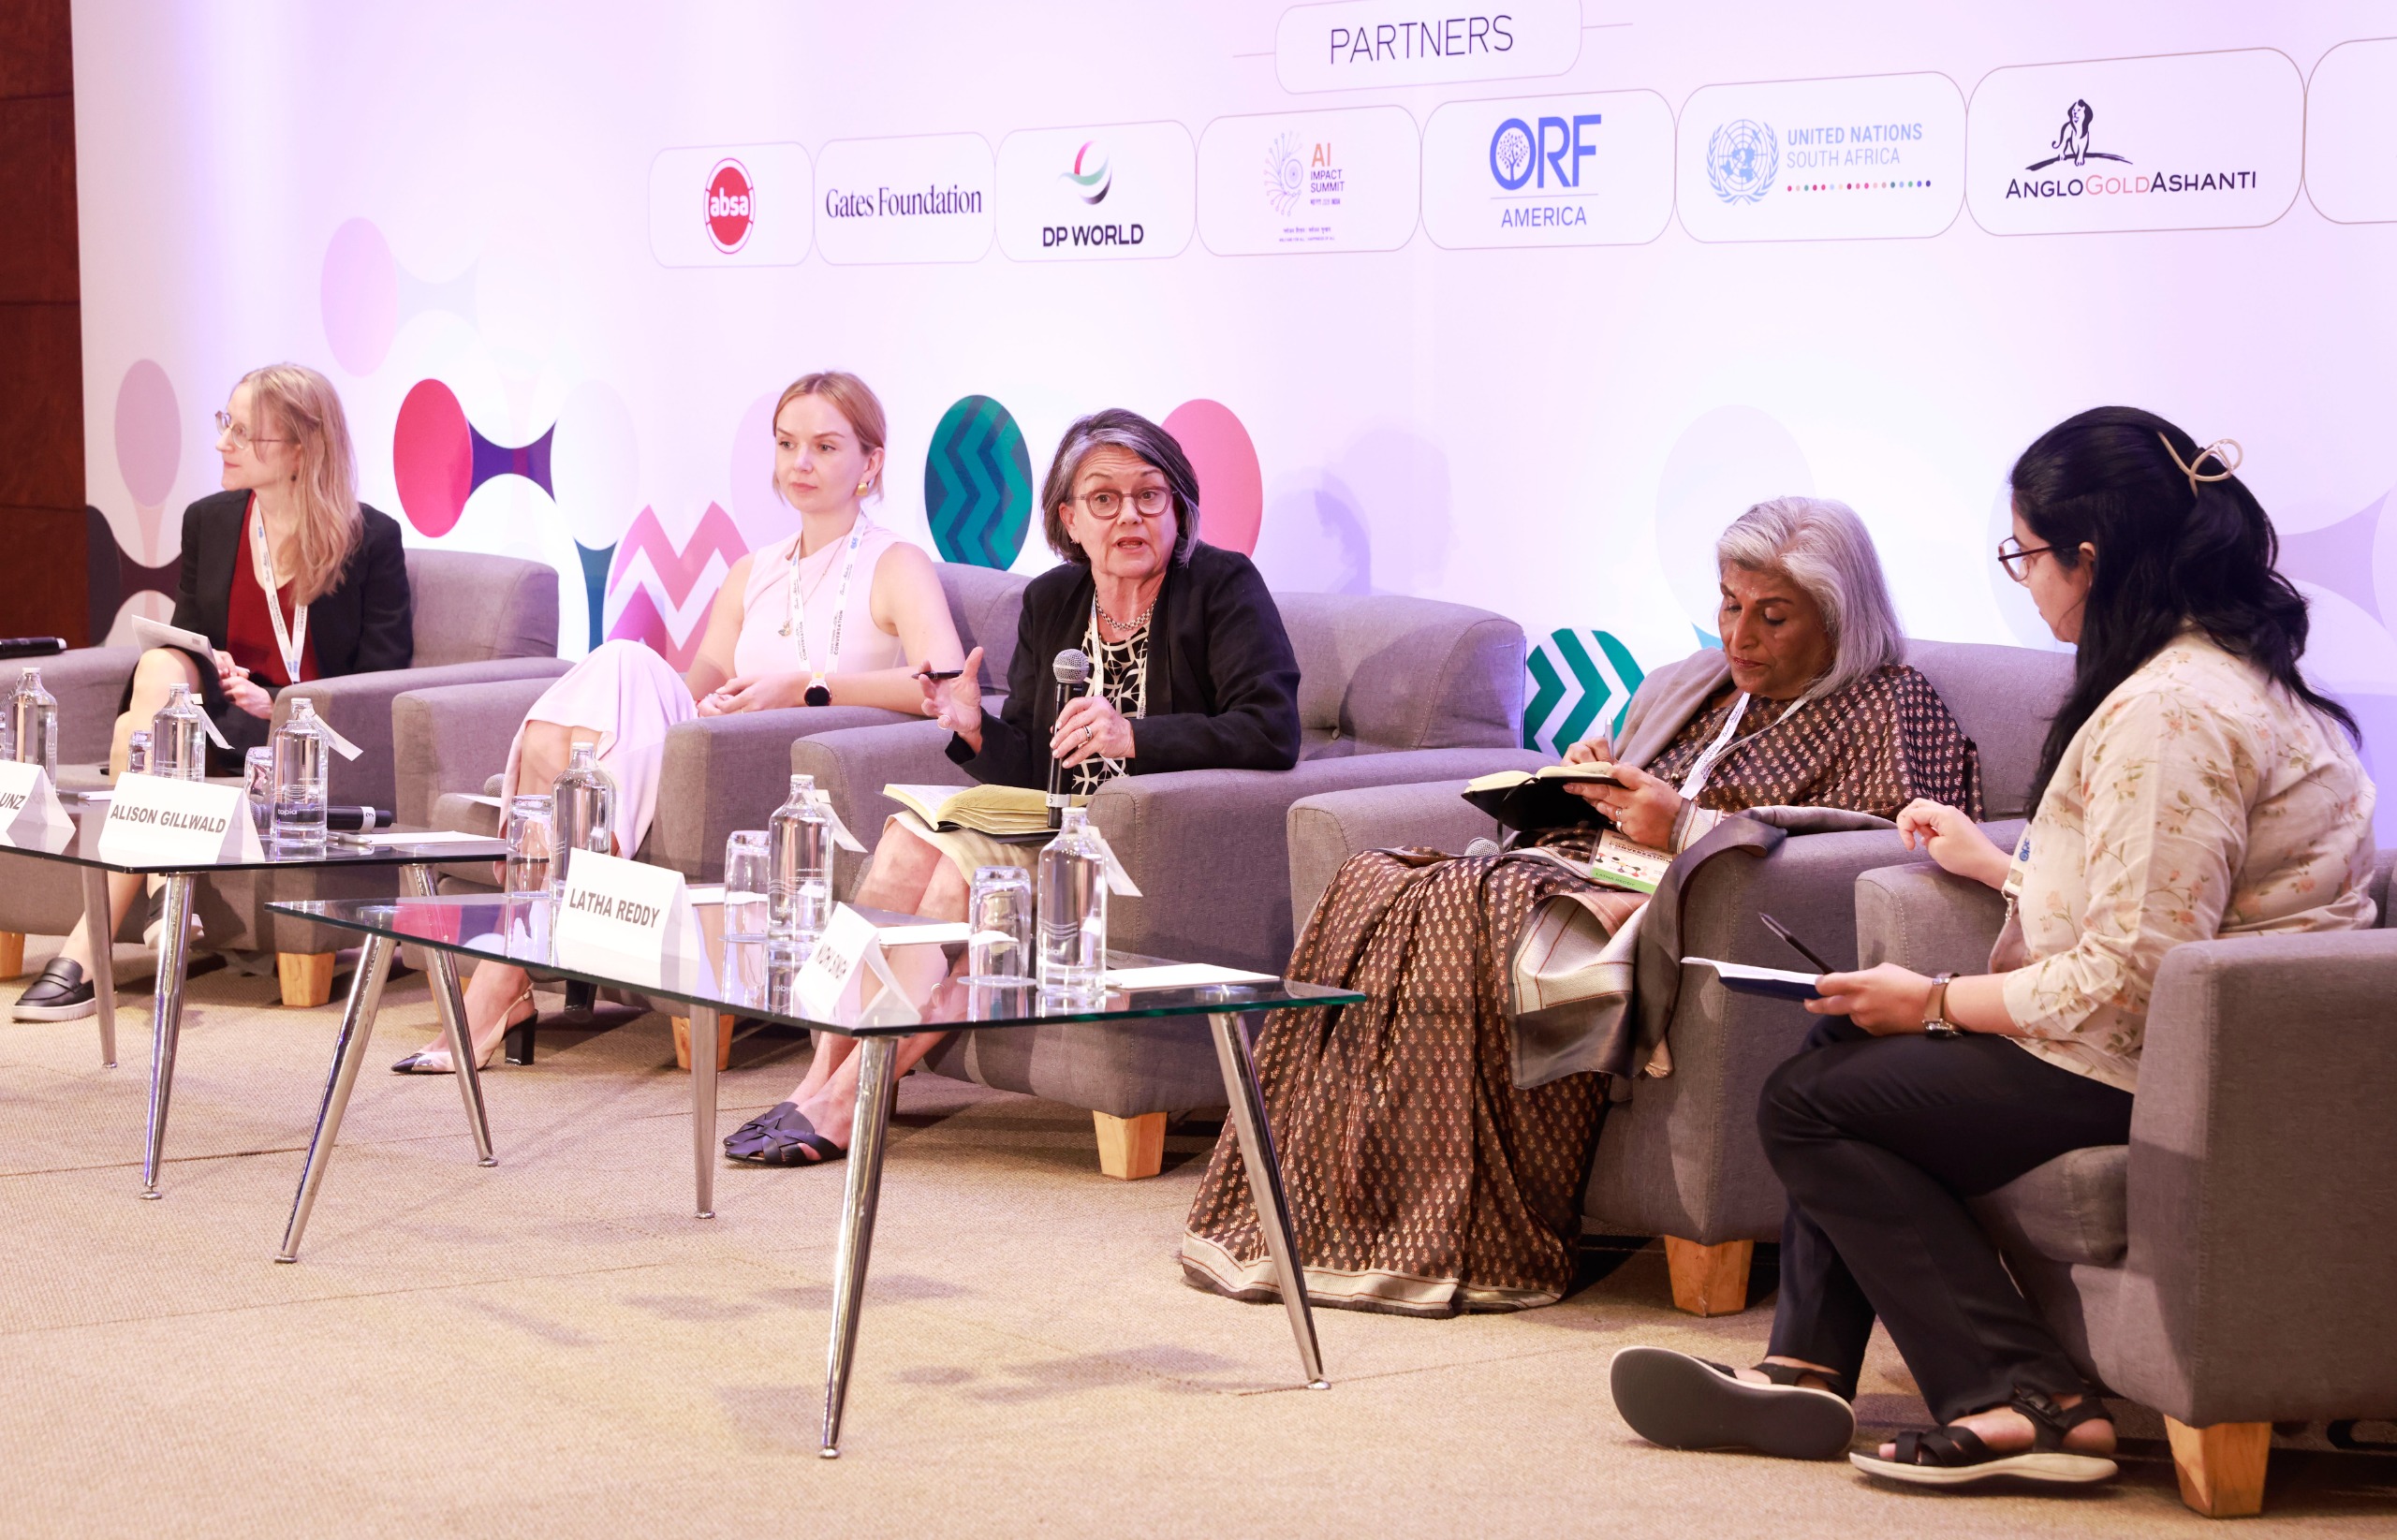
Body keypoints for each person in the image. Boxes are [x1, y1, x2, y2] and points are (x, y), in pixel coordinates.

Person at [1609, 407, 2377, 1490]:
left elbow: (2133, 975)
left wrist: (1932, 999)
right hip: (2199, 1041)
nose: (2021, 579)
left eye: (2023, 553)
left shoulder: (2169, 712)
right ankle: (1805, 1370)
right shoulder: (2210, 676)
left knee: (1811, 1102)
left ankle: (2031, 1400)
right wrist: (2000, 869)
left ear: (2087, 559)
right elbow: (2174, 906)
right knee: (1838, 1057)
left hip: (2192, 1066)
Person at [1181, 497, 1983, 1314]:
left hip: (1666, 899)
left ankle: (1467, 1240)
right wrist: (1594, 774)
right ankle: (1324, 1210)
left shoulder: (1890, 702)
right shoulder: (1699, 684)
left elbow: (1892, 843)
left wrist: (1685, 826)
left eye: (1773, 617)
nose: (1740, 636)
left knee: (1485, 899)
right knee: (1370, 879)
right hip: (1579, 862)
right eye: (1729, 605)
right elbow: (1642, 788)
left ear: (1840, 619)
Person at [723, 407, 1301, 1165]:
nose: (1129, 515)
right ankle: (817, 1082)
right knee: (906, 841)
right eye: (1104, 498)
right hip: (1050, 823)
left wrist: (1136, 735)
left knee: (961, 878)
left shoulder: (1221, 587)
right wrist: (975, 730)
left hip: (1145, 847)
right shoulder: (1053, 600)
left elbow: (1271, 728)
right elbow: (1031, 763)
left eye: (1149, 495)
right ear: (1068, 517)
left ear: (1178, 506)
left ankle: (851, 1096)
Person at [389, 371, 963, 1070]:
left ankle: (505, 977)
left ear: (871, 462)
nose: (800, 463)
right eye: (787, 444)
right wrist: (713, 707)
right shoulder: (752, 571)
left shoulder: (895, 562)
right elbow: (697, 688)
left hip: (795, 773)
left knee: (618, 679)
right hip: (716, 755)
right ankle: (516, 963)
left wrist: (804, 687)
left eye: (825, 446)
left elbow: (944, 684)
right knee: (613, 674)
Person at [14, 364, 410, 1021]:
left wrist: (280, 703)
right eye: (225, 423)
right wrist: (205, 658)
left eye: (244, 432)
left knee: (134, 738)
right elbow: (188, 636)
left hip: (302, 747)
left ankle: (90, 950)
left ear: (301, 450)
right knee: (159, 671)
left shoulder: (369, 539)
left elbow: (381, 680)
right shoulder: (210, 520)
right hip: (213, 725)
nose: (223, 442)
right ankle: (160, 889)